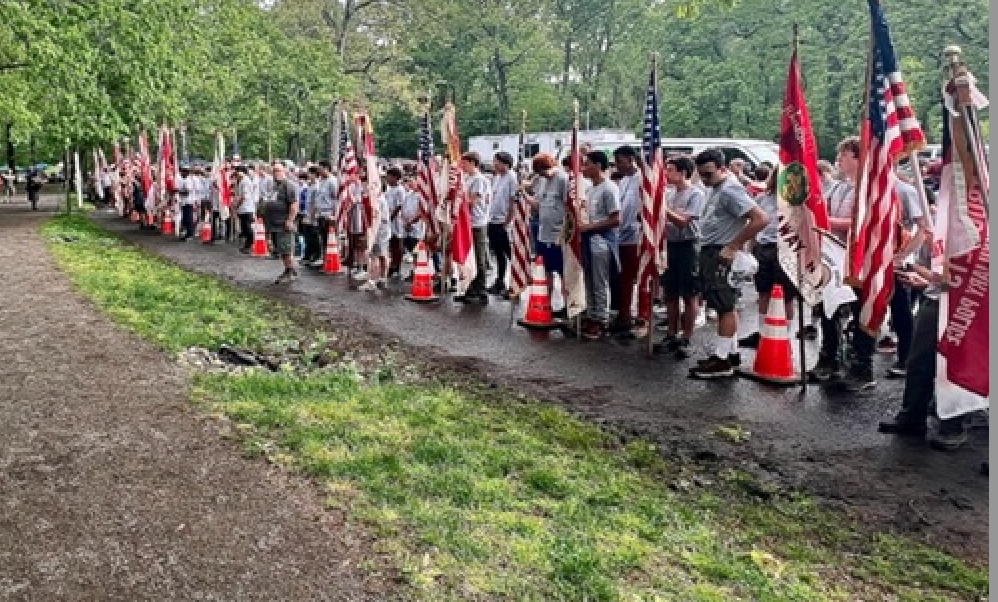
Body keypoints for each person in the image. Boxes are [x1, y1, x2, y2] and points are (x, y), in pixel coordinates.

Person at [877, 246, 968, 451]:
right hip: (935, 298)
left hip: (964, 303)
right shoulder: (939, 227)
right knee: (919, 360)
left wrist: (927, 280)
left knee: (953, 365)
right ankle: (912, 416)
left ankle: (952, 425)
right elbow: (928, 265)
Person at [688, 148, 766, 379]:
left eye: (709, 174)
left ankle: (722, 360)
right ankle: (729, 352)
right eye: (701, 174)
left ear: (723, 169)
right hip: (712, 250)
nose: (704, 179)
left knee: (725, 305)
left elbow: (760, 218)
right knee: (722, 302)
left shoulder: (730, 189)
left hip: (721, 252)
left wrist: (733, 245)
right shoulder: (716, 188)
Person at [808, 136, 878, 392]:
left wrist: (826, 224)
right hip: (834, 255)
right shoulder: (838, 187)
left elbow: (861, 222)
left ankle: (863, 365)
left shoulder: (869, 187)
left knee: (862, 311)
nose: (838, 159)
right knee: (829, 307)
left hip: (860, 258)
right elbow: (824, 211)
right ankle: (829, 357)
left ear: (859, 158)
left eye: (844, 155)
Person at [738, 168, 797, 349]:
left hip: (786, 249)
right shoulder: (764, 198)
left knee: (785, 296)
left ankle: (784, 335)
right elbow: (755, 224)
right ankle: (763, 332)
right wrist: (750, 248)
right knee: (763, 292)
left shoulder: (796, 201)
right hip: (764, 247)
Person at [655, 156, 705, 359]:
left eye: (670, 170)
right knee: (670, 291)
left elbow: (684, 222)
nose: (666, 174)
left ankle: (687, 335)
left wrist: (663, 210)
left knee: (689, 292)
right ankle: (671, 332)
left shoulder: (696, 194)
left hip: (688, 245)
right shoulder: (668, 193)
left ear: (683, 172)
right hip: (671, 245)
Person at [578, 150, 621, 340]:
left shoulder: (609, 188)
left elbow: (615, 219)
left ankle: (601, 319)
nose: (583, 168)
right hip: (588, 239)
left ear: (597, 165)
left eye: (587, 164)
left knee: (600, 282)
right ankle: (591, 313)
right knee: (588, 279)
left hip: (602, 240)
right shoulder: (589, 189)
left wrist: (589, 227)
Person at [610, 145, 650, 338]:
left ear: (630, 159)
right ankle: (624, 314)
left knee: (641, 277)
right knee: (624, 278)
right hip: (622, 235)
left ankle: (643, 316)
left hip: (637, 235)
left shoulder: (643, 179)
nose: (618, 166)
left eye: (620, 161)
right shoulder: (624, 180)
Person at [523, 152, 567, 306]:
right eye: (539, 172)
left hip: (558, 234)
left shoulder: (563, 179)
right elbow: (538, 205)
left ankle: (567, 306)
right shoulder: (541, 181)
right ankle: (545, 304)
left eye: (544, 171)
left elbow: (569, 209)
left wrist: (562, 234)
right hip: (543, 233)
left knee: (563, 273)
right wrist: (524, 195)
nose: (543, 175)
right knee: (545, 271)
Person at [458, 151, 491, 304]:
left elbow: (473, 200)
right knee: (468, 257)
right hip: (468, 222)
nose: (462, 165)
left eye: (464, 162)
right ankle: (470, 288)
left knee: (479, 257)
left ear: (472, 162)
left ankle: (481, 290)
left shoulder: (479, 180)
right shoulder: (468, 178)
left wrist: (458, 203)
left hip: (477, 222)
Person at [261, 162, 299, 284]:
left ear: (284, 171)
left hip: (284, 224)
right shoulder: (274, 186)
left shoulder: (288, 185)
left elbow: (293, 204)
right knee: (281, 250)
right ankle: (289, 270)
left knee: (286, 249)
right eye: (274, 171)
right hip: (274, 224)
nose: (276, 173)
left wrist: (289, 220)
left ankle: (290, 271)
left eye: (278, 170)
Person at [488, 151, 517, 296]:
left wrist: (507, 222)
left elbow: (513, 202)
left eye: (497, 161)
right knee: (498, 253)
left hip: (503, 221)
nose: (494, 164)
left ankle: (516, 282)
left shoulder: (512, 178)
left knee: (510, 253)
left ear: (505, 163)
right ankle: (500, 281)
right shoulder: (497, 178)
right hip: (493, 220)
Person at [384, 167, 407, 279]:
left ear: (395, 177)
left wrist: (390, 217)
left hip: (395, 220)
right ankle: (392, 265)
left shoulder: (400, 189)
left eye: (389, 176)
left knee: (397, 244)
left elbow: (399, 206)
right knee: (391, 244)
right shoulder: (388, 189)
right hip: (388, 218)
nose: (387, 178)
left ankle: (397, 267)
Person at [233, 166, 257, 253]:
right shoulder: (241, 181)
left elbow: (244, 196)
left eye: (237, 172)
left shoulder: (245, 181)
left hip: (247, 208)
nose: (236, 174)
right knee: (244, 227)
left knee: (247, 227)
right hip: (243, 208)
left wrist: (237, 205)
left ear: (242, 172)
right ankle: (247, 245)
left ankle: (250, 244)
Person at [174, 166, 196, 240]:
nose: (181, 173)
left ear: (187, 172)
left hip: (188, 202)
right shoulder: (183, 180)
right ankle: (187, 234)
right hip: (184, 202)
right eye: (181, 171)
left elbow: (187, 192)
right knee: (185, 219)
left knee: (188, 219)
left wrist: (177, 191)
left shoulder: (188, 180)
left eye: (183, 171)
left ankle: (190, 234)